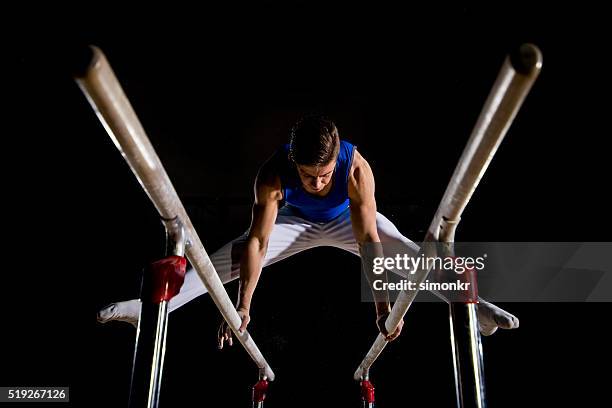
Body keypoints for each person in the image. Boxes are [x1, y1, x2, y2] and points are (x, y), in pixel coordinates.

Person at [98, 116, 519, 347]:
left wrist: (381, 309)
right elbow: (261, 242)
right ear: (292, 163)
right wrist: (243, 307)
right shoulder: (272, 174)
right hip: (293, 223)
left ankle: (475, 307)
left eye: (323, 176)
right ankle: (154, 309)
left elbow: (369, 241)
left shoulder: (356, 171)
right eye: (307, 176)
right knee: (226, 258)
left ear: (337, 160)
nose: (316, 184)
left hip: (346, 221)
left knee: (405, 252)